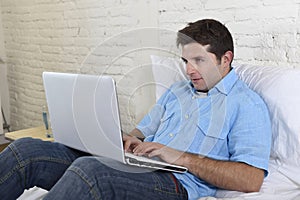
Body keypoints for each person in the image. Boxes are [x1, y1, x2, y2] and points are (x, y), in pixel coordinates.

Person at [0, 19, 271, 200]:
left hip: (174, 184)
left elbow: (251, 179)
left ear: (226, 59)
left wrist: (182, 157)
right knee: (27, 151)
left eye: (199, 60)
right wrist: (127, 142)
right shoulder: (179, 91)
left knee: (91, 170)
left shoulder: (246, 104)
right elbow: (140, 133)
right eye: (186, 61)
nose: (189, 70)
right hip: (138, 168)